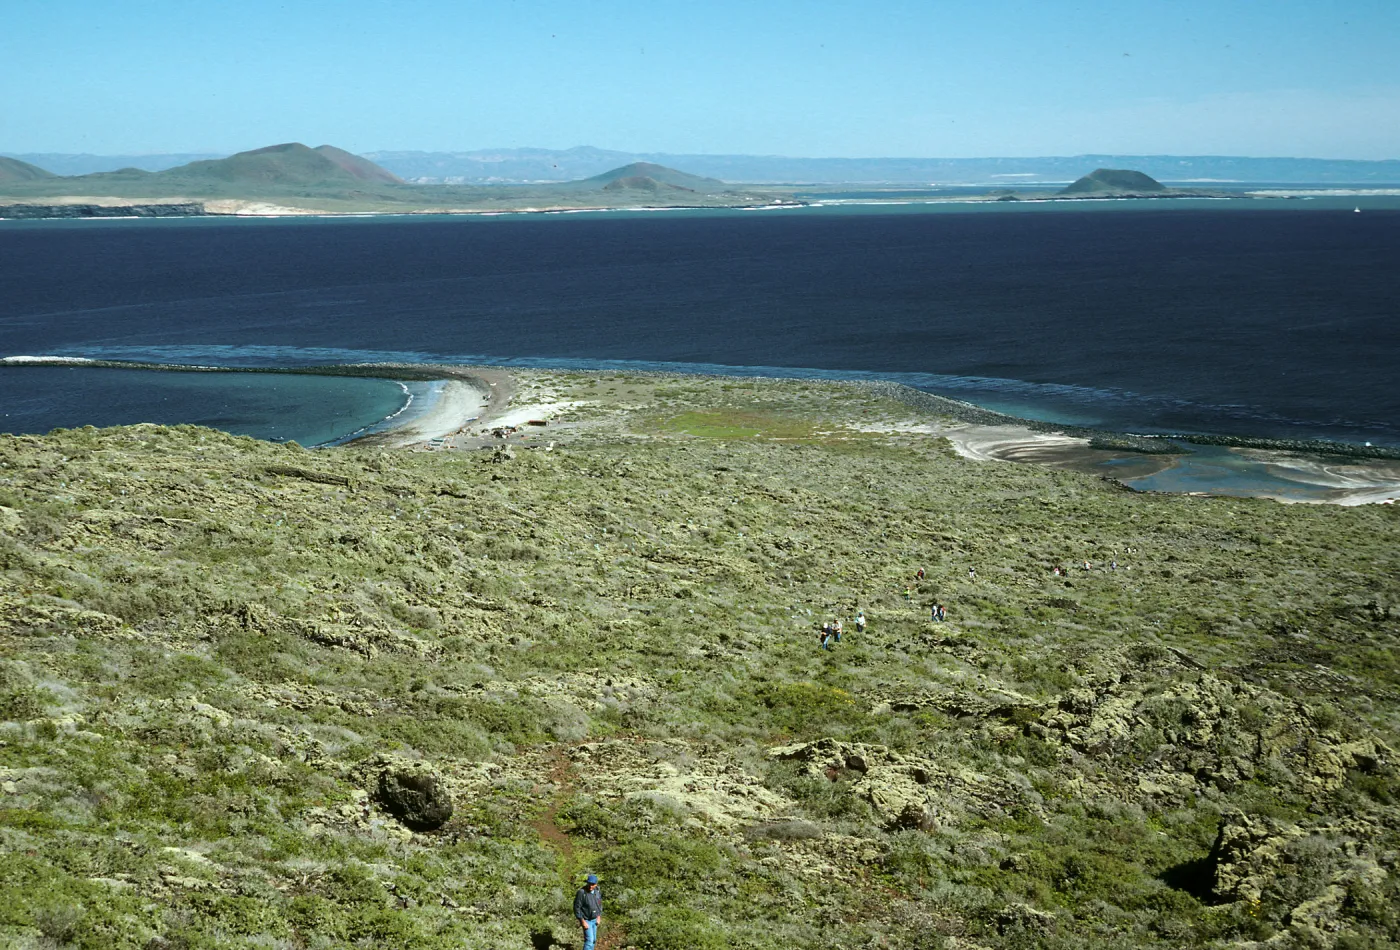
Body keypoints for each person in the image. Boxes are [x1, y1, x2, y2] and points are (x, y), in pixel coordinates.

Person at [574, 874, 602, 950]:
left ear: (596, 884)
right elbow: (577, 908)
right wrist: (582, 921)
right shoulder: (581, 892)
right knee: (589, 941)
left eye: (593, 884)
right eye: (589, 884)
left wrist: (599, 916)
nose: (590, 886)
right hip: (586, 920)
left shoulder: (597, 891)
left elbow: (599, 904)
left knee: (593, 940)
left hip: (594, 919)